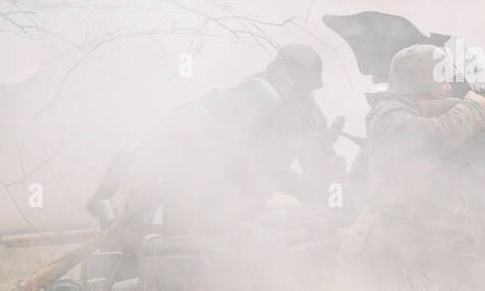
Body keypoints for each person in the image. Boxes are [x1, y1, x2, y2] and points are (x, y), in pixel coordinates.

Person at [86, 43, 338, 238]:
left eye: (306, 88)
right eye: (297, 85)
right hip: (207, 191)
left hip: (247, 197)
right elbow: (233, 162)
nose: (301, 93)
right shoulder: (245, 98)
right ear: (278, 72)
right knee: (176, 227)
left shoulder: (309, 115)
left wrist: (325, 194)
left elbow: (317, 168)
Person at [340, 43, 485, 288]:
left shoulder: (419, 112)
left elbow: (477, 143)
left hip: (434, 231)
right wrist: (474, 107)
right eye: (441, 81)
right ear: (421, 83)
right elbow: (435, 137)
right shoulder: (387, 115)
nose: (447, 87)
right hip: (406, 233)